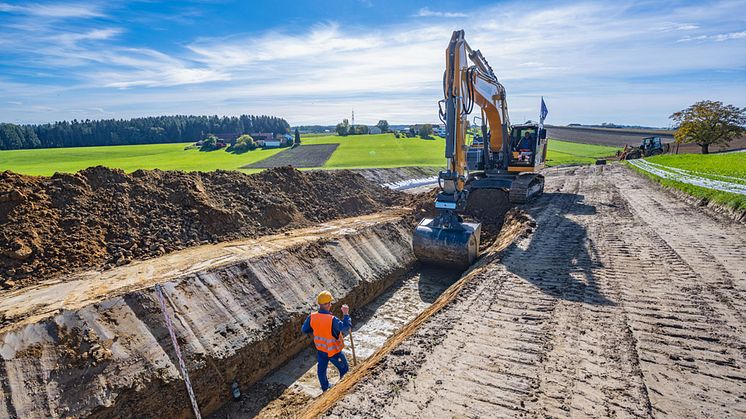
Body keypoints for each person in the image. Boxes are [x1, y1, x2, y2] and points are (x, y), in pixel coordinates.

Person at [301, 290, 352, 391]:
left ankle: (325, 388)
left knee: (321, 370)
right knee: (344, 369)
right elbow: (346, 328)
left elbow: (304, 329)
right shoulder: (332, 319)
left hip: (321, 349)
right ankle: (342, 390)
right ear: (328, 304)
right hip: (334, 351)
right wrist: (346, 314)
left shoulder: (312, 317)